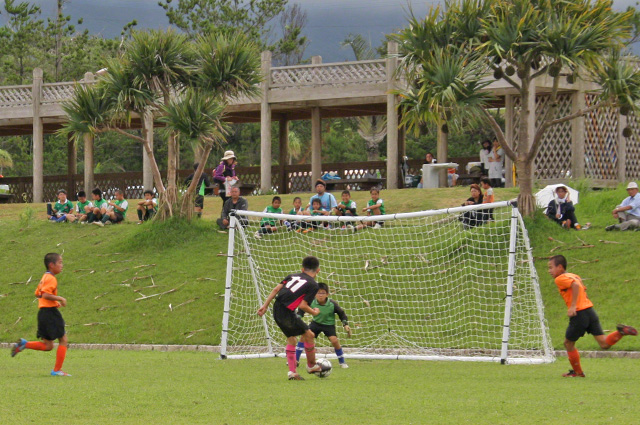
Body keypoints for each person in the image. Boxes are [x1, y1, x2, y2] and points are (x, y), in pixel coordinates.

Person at [548, 255, 637, 377]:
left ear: (560, 267)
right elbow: (582, 288)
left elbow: (574, 286)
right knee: (604, 344)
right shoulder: (575, 275)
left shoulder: (560, 278)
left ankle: (578, 372)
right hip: (589, 311)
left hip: (579, 313)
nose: (549, 271)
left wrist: (573, 306)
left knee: (568, 343)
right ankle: (621, 332)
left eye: (551, 267)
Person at [257, 256, 323, 380]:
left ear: (302, 269)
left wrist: (264, 306)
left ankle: (292, 372)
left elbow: (276, 289)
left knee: (292, 339)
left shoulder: (292, 276)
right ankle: (311, 366)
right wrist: (314, 312)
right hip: (286, 312)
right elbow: (303, 305)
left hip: (277, 309)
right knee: (309, 335)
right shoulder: (313, 285)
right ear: (318, 270)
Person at [11, 253, 71, 376]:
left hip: (43, 313)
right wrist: (60, 298)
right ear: (51, 265)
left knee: (48, 345)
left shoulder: (45, 277)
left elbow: (37, 293)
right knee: (63, 339)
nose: (62, 265)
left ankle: (24, 344)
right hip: (50, 313)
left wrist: (53, 301)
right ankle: (56, 371)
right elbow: (44, 295)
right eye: (60, 262)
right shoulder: (51, 278)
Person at [296, 282, 352, 369]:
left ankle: (342, 362)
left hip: (329, 325)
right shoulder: (311, 302)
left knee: (334, 341)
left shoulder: (332, 304)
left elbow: (341, 313)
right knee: (304, 337)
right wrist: (298, 317)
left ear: (327, 294)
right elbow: (302, 309)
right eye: (318, 293)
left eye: (323, 293)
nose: (320, 295)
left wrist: (345, 324)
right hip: (316, 323)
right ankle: (296, 360)